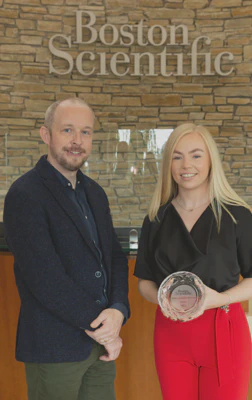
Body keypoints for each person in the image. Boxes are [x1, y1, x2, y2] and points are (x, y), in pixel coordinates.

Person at [4, 97, 130, 400]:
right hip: (55, 348)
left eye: (85, 132)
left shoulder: (95, 193)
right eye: (68, 130)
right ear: (46, 134)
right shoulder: (25, 194)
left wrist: (118, 311)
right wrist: (103, 326)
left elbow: (113, 257)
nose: (77, 141)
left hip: (99, 348)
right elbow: (44, 278)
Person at [134, 123, 252, 400]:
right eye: (177, 156)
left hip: (223, 330)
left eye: (196, 155)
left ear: (210, 161)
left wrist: (218, 298)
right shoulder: (155, 218)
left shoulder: (236, 216)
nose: (186, 164)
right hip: (171, 334)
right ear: (168, 163)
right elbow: (145, 282)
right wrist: (163, 298)